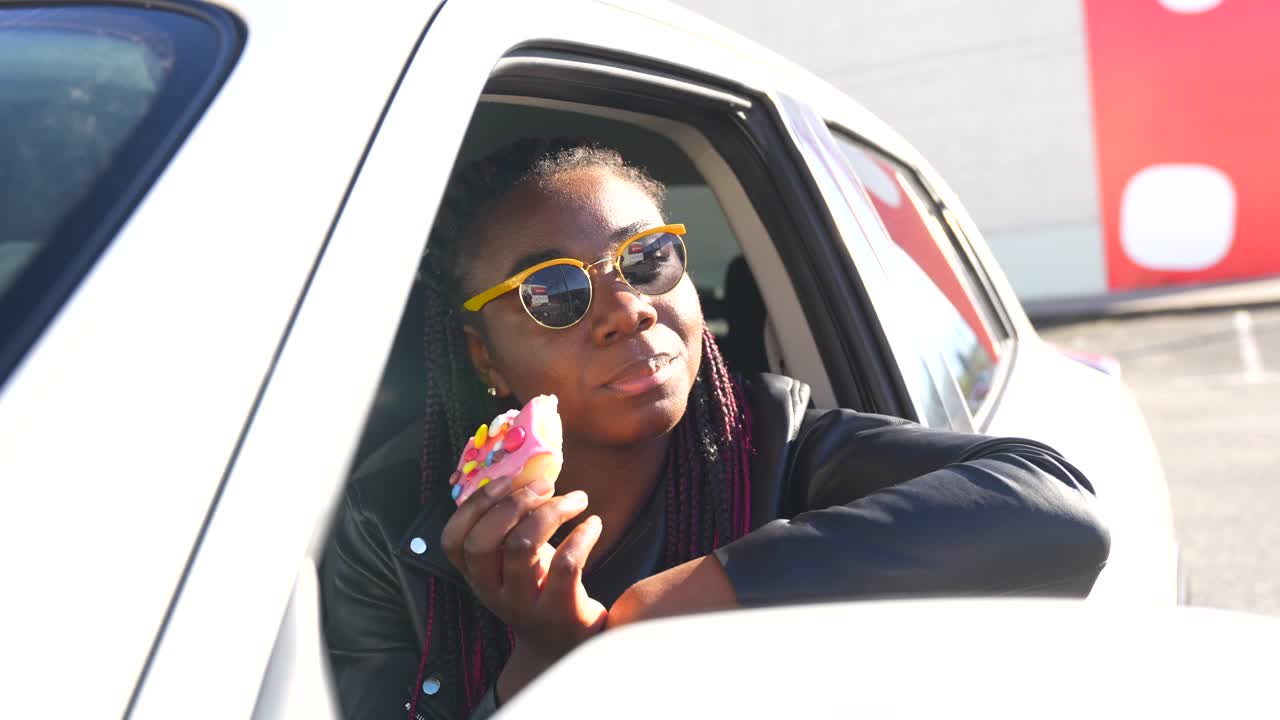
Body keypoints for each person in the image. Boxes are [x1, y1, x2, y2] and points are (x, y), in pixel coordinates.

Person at [320, 138, 1110, 720]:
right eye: (555, 292)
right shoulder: (391, 522)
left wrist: (681, 601)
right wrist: (543, 661)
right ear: (484, 354)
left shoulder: (781, 448)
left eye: (646, 259)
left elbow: (1056, 507)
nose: (628, 309)